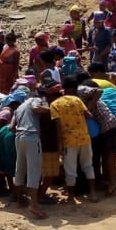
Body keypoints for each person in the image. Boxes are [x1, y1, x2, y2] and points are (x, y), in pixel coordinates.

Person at [51, 77, 98, 202]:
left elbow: (57, 126)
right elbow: (89, 115)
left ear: (63, 88)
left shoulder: (55, 104)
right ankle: (93, 193)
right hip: (84, 137)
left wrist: (59, 144)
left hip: (69, 140)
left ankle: (71, 196)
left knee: (70, 169)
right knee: (88, 165)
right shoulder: (77, 100)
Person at [12, 91, 50, 219]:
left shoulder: (18, 108)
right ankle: (33, 204)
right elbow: (37, 108)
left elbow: (12, 126)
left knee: (20, 169)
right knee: (34, 170)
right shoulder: (35, 100)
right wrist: (45, 103)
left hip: (18, 136)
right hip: (32, 136)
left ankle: (20, 200)